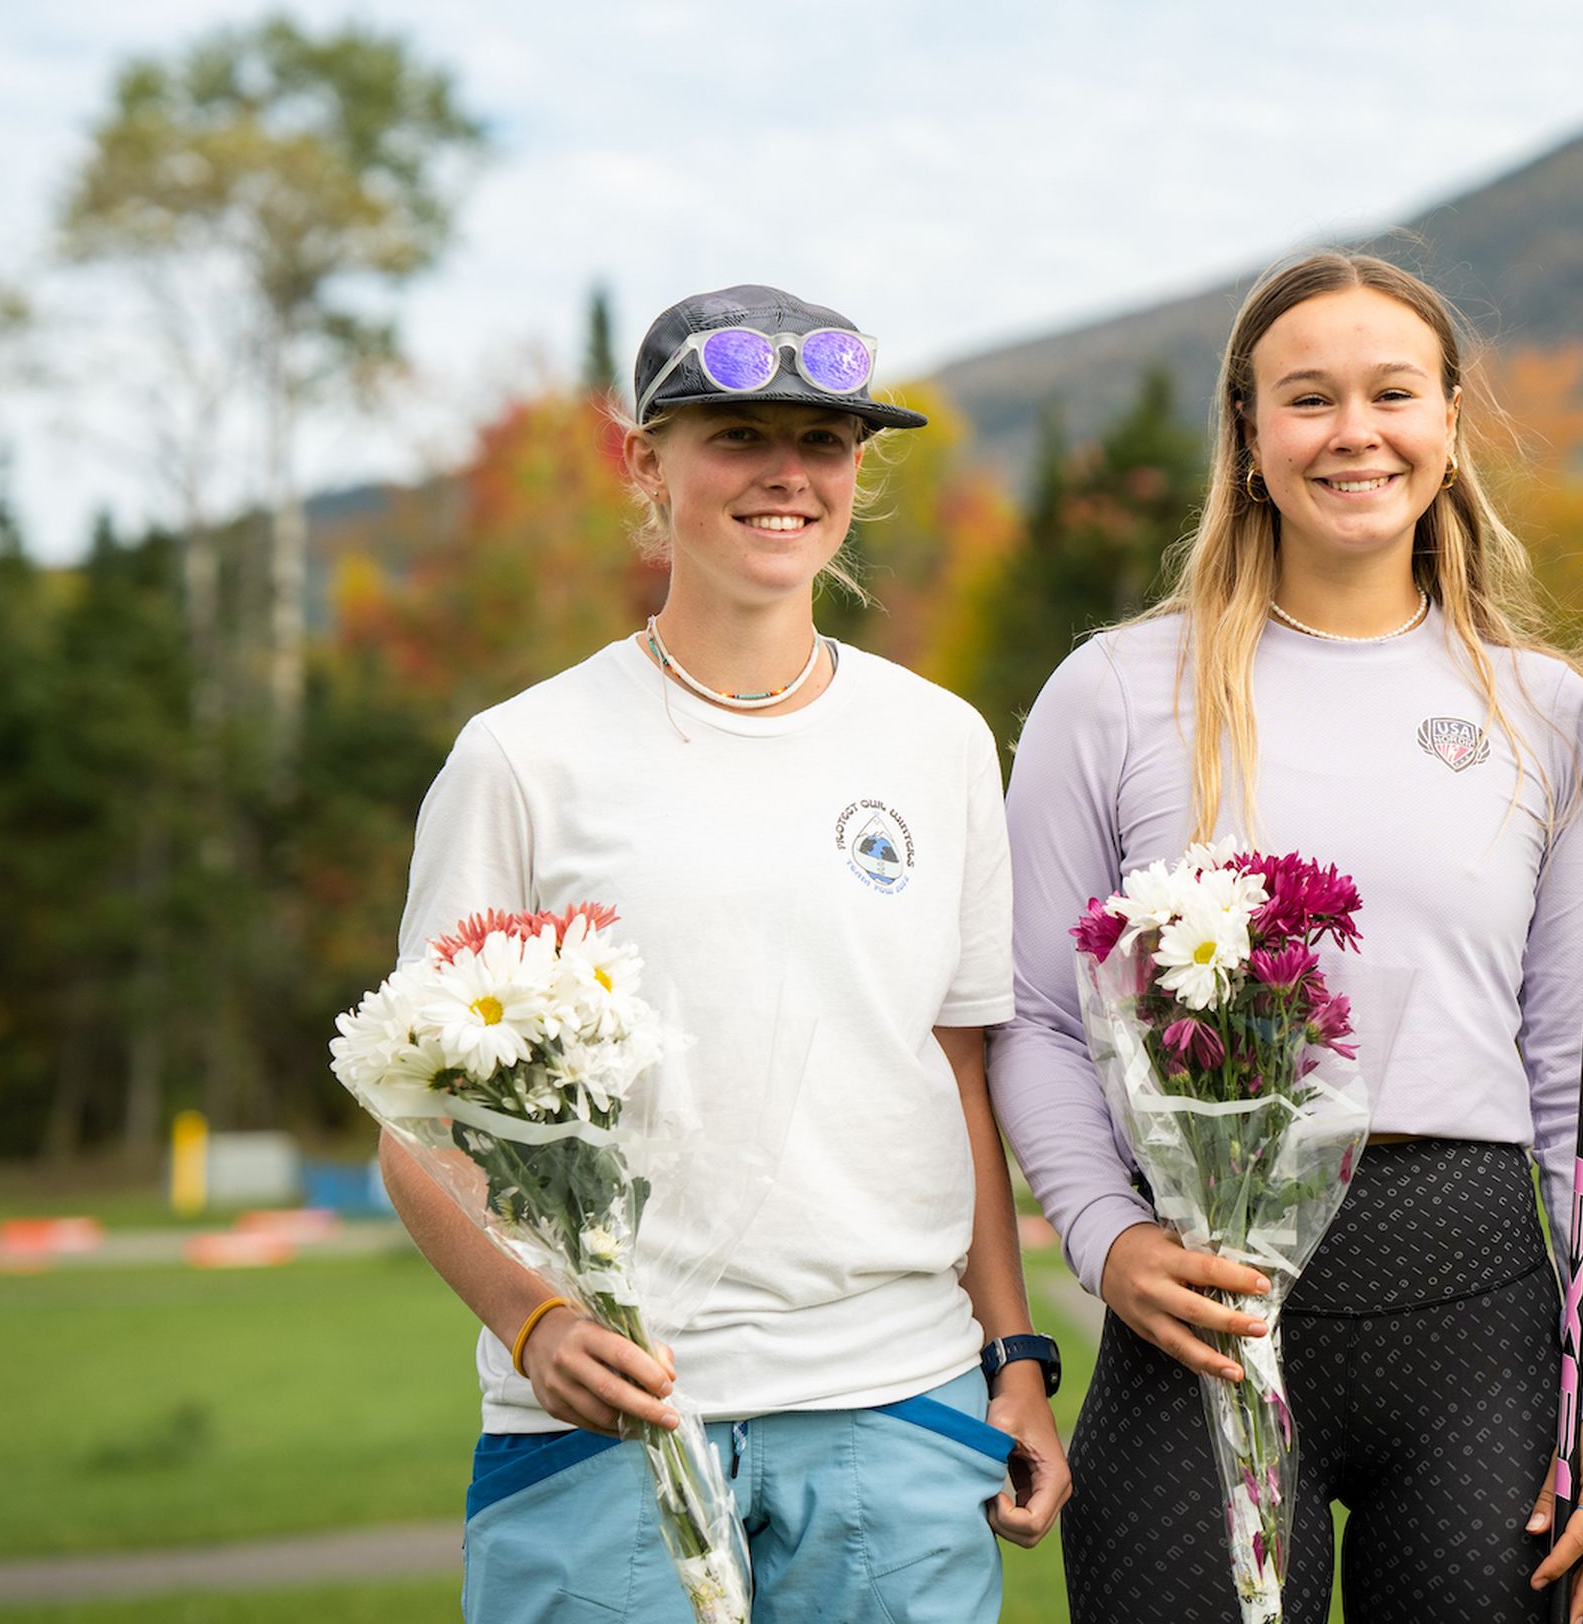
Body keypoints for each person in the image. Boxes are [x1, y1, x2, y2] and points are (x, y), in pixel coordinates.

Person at [990, 250, 1583, 1623]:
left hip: (1474, 1315)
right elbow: (1036, 1017)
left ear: (1450, 422)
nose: (1354, 432)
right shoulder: (1115, 691)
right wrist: (1110, 1238)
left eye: (1391, 393)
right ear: (1247, 436)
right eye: (1308, 399)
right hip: (1198, 1307)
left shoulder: (1547, 712)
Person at [381, 286, 1068, 1623]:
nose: (787, 475)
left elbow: (959, 1084)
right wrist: (536, 1325)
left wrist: (1017, 1358)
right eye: (737, 436)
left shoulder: (938, 743)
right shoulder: (524, 758)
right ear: (648, 461)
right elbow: (418, 1134)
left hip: (895, 1414)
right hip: (604, 1429)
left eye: (823, 443)